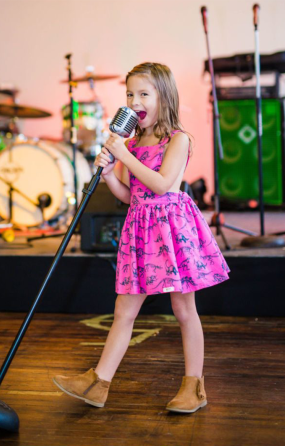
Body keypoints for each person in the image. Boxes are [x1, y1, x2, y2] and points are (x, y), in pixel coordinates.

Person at [52, 62, 230, 414]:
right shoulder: (131, 143)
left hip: (170, 230)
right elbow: (130, 194)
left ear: (165, 98)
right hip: (140, 230)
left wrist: (123, 156)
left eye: (144, 94)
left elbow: (162, 184)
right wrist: (106, 174)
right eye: (130, 94)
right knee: (124, 310)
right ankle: (98, 382)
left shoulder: (179, 139)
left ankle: (194, 386)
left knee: (183, 308)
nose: (134, 101)